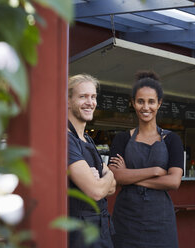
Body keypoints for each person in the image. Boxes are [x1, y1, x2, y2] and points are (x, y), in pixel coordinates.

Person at [109, 71, 184, 248]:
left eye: (151, 101)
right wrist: (155, 171)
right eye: (140, 101)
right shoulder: (122, 139)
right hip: (127, 220)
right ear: (133, 103)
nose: (146, 107)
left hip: (161, 220)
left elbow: (173, 181)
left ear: (159, 103)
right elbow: (115, 177)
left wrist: (130, 177)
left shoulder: (172, 140)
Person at [67, 74, 116, 248]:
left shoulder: (87, 138)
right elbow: (96, 191)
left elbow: (111, 188)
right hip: (80, 233)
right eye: (83, 96)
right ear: (67, 101)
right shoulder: (66, 139)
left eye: (93, 97)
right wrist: (108, 174)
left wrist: (105, 177)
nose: (90, 102)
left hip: (100, 228)